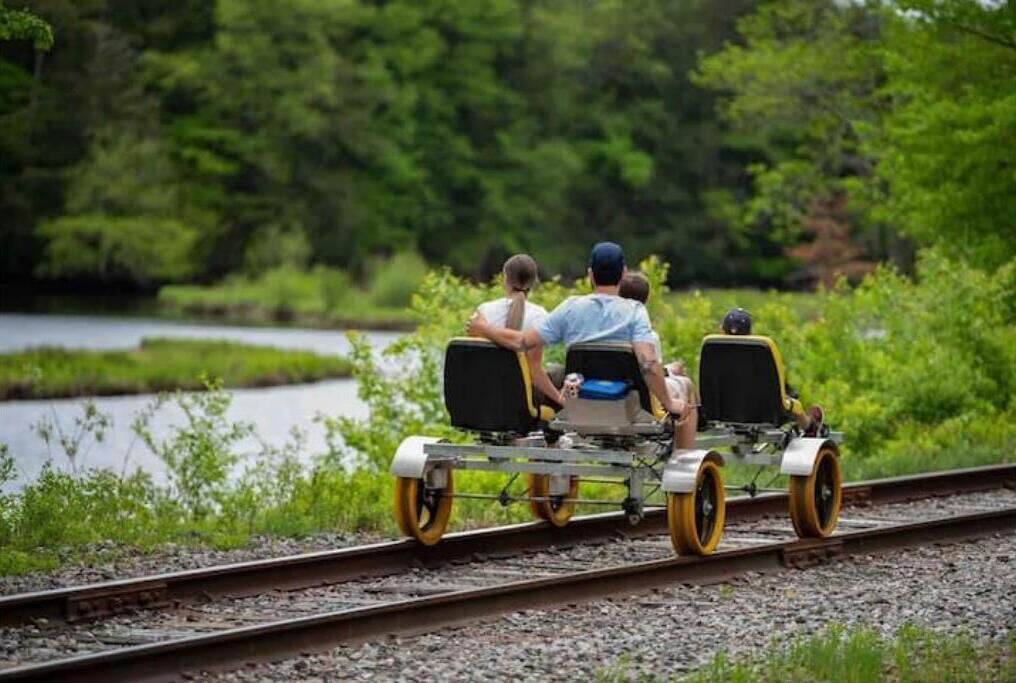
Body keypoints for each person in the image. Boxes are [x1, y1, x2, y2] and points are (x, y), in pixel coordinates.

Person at [468, 242, 696, 449]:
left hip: (580, 406)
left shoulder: (571, 307)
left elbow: (521, 342)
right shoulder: (635, 311)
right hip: (632, 410)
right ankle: (684, 464)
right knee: (683, 384)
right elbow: (648, 363)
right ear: (623, 274)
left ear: (590, 274)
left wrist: (484, 329)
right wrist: (669, 402)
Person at [473, 254, 563, 408]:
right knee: (559, 373)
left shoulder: (483, 311)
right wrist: (561, 399)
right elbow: (534, 373)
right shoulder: (539, 316)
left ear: (504, 278)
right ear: (534, 282)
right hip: (520, 401)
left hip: (484, 396)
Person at [720, 307, 824, 435]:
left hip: (725, 412)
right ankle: (809, 426)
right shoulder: (760, 351)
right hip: (763, 413)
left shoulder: (713, 352)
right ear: (750, 332)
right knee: (793, 402)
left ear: (721, 329)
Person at [619, 272, 698, 411]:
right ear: (646, 299)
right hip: (643, 396)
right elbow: (652, 372)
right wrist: (670, 370)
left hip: (614, 387)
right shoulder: (648, 336)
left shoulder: (609, 334)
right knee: (686, 383)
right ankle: (695, 423)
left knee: (674, 368)